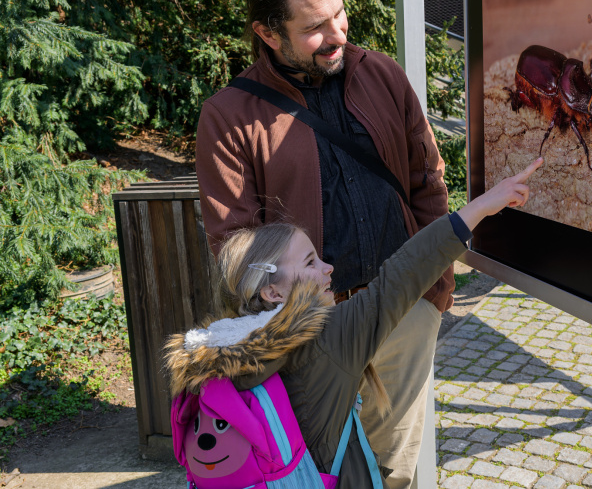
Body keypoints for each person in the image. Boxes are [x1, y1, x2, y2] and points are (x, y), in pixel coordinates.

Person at [196, 0, 450, 488]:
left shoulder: (381, 73)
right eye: (316, 26)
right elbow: (235, 249)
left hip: (405, 314)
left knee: (394, 474)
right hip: (313, 340)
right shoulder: (229, 115)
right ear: (268, 32)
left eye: (340, 14)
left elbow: (426, 180)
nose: (338, 33)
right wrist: (290, 332)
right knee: (322, 472)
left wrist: (436, 291)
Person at [166, 159, 542, 488]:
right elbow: (402, 276)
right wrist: (480, 207)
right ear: (273, 292)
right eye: (311, 262)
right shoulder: (328, 338)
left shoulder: (216, 350)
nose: (328, 269)